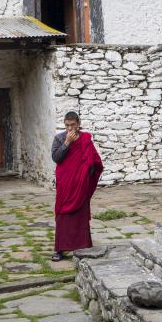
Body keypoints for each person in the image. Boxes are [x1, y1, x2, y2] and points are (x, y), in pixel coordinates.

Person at [51, 110, 103, 261]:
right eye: (67, 125)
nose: (69, 129)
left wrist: (88, 172)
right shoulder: (59, 138)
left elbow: (94, 160)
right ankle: (60, 249)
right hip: (66, 184)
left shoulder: (86, 139)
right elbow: (56, 158)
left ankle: (84, 244)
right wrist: (67, 143)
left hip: (80, 184)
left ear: (78, 124)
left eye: (72, 125)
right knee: (63, 214)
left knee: (80, 215)